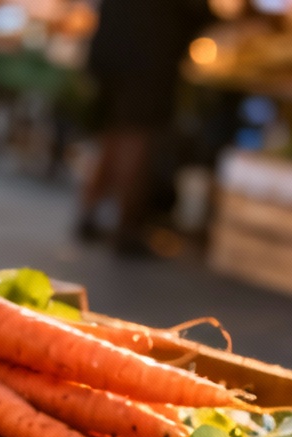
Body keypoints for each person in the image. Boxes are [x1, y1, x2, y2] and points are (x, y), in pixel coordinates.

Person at [79, 0, 211, 254]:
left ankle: (90, 212)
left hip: (112, 43)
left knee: (115, 134)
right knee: (137, 137)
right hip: (147, 51)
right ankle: (127, 227)